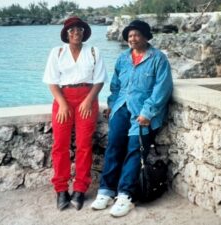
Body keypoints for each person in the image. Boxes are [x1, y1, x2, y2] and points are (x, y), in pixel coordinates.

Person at [91, 20, 173, 217]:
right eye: (129, 36)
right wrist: (112, 105)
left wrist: (148, 112)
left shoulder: (158, 59)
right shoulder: (122, 59)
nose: (132, 38)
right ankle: (106, 191)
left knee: (135, 150)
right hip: (121, 107)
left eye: (136, 34)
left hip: (143, 112)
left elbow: (162, 88)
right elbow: (116, 86)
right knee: (113, 146)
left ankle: (125, 195)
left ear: (145, 36)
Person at [43, 16, 108, 211]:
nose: (76, 32)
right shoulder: (57, 52)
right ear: (66, 34)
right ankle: (61, 189)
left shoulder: (94, 52)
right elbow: (52, 81)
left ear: (84, 32)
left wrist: (88, 100)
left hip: (87, 98)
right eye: (71, 30)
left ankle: (80, 189)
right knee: (60, 145)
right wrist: (62, 103)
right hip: (63, 98)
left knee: (84, 145)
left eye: (79, 29)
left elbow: (99, 80)